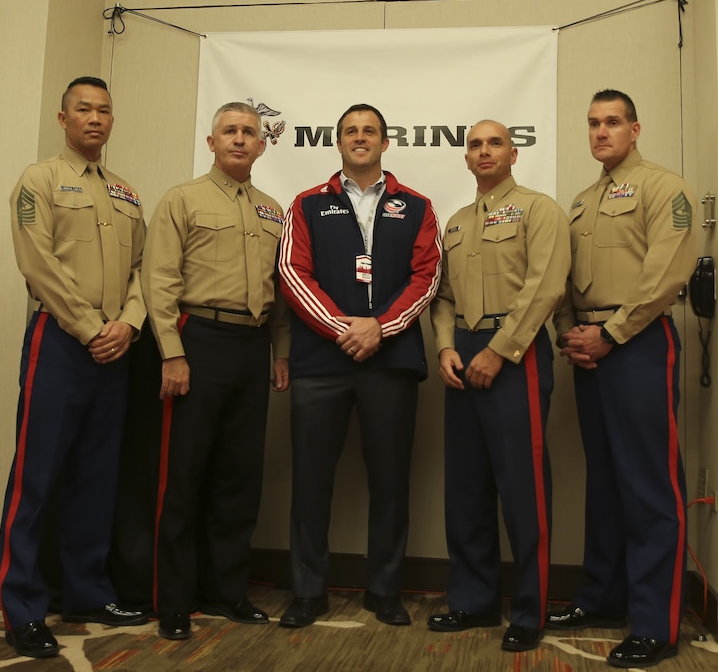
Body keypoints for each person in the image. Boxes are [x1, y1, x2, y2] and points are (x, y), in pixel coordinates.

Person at [0, 77, 148, 659]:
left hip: (116, 346)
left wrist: (129, 325)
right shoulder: (39, 181)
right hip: (61, 343)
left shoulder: (128, 193)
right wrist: (90, 328)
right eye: (83, 109)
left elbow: (142, 270)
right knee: (36, 478)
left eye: (104, 110)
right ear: (63, 118)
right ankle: (22, 606)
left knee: (96, 476)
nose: (95, 118)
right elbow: (38, 264)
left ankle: (87, 590)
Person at [278, 103, 441, 628]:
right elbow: (291, 271)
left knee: (391, 479)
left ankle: (385, 589)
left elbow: (427, 277)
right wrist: (343, 327)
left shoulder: (416, 206)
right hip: (319, 363)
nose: (360, 137)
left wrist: (381, 328)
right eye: (351, 131)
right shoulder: (306, 204)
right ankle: (307, 591)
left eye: (370, 130)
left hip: (390, 363)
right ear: (339, 142)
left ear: (385, 142)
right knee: (310, 479)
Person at [549, 89, 697, 668]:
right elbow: (562, 280)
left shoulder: (665, 187)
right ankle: (604, 598)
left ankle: (656, 623)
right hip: (591, 349)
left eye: (612, 122)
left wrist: (610, 334)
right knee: (606, 483)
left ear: (635, 129)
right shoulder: (583, 203)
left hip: (636, 346)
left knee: (649, 485)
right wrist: (571, 334)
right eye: (593, 123)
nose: (601, 131)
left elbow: (666, 272)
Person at [143, 101, 290, 642]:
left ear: (261, 144)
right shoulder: (182, 199)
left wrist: (280, 352)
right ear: (211, 142)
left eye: (249, 132)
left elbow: (281, 292)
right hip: (196, 339)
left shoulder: (275, 211)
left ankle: (227, 590)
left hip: (252, 346)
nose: (239, 139)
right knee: (182, 476)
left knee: (238, 477)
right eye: (229, 131)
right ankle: (174, 599)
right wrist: (171, 352)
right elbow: (158, 280)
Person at [426, 120, 570, 652]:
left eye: (494, 143)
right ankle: (473, 599)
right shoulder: (457, 224)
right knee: (465, 487)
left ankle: (531, 610)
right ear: (466, 159)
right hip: (462, 356)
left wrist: (498, 350)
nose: (483, 151)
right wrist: (445, 346)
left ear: (513, 153)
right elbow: (441, 297)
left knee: (523, 487)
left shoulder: (539, 209)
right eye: (474, 145)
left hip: (516, 355)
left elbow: (545, 287)